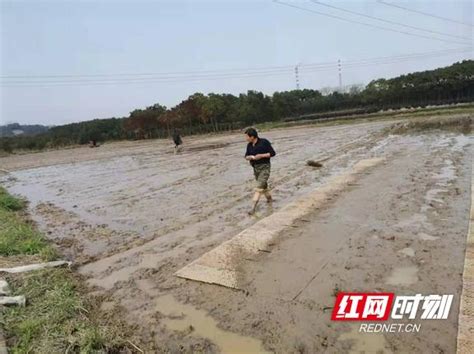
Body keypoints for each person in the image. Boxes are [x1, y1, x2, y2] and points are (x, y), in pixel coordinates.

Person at [244, 127, 276, 215]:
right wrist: (250, 157)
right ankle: (269, 199)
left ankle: (253, 208)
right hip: (255, 168)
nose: (245, 138)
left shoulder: (264, 142)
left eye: (247, 136)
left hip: (265, 167)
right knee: (263, 186)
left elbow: (272, 153)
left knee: (258, 187)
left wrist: (261, 155)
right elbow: (246, 156)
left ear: (252, 137)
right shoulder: (249, 145)